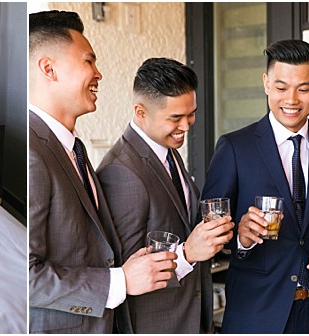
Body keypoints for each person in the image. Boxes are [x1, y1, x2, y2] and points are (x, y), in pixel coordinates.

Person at [27, 11, 175, 333]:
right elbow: (23, 276)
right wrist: (119, 281)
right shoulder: (32, 153)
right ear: (49, 69)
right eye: (88, 62)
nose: (99, 74)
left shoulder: (73, 148)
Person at [201, 39, 309, 333]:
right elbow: (208, 228)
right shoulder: (235, 147)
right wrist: (241, 235)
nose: (291, 99)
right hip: (256, 313)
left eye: (303, 88)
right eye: (281, 87)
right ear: (265, 84)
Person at [95, 57, 233, 333]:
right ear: (141, 112)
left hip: (190, 317)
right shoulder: (121, 172)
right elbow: (129, 271)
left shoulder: (166, 151)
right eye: (175, 118)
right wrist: (188, 253)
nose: (187, 125)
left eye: (191, 113)